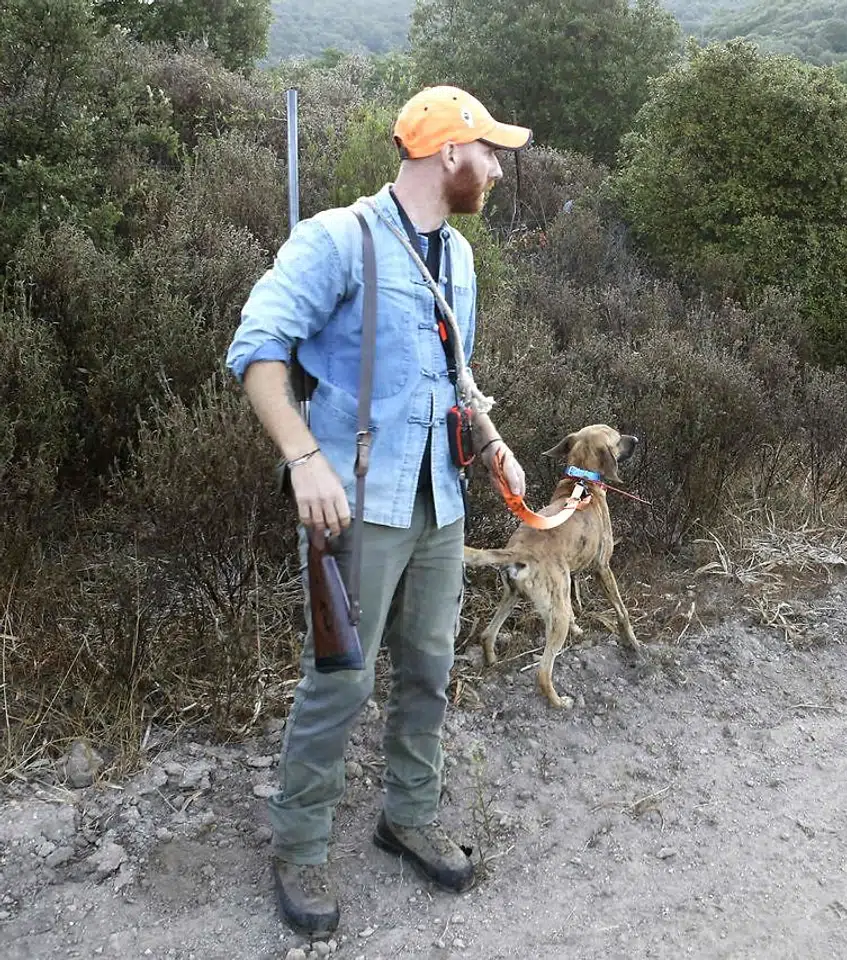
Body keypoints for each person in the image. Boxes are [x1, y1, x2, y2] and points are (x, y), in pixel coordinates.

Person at [225, 86, 531, 934]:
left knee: (430, 665)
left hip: (442, 494)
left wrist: (491, 438)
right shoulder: (338, 238)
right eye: (489, 153)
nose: (497, 169)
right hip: (357, 501)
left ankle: (408, 814)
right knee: (341, 680)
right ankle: (299, 842)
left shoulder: (458, 260)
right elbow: (255, 350)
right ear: (448, 156)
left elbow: (454, 374)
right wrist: (303, 459)